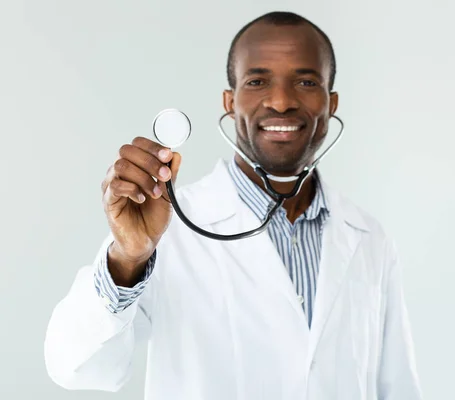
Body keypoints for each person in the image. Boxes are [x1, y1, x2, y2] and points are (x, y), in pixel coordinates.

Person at [44, 11, 423, 400]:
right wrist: (127, 257)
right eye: (257, 81)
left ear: (331, 103)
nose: (280, 102)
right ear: (230, 102)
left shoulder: (370, 239)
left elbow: (398, 388)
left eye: (306, 82)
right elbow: (76, 367)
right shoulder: (169, 229)